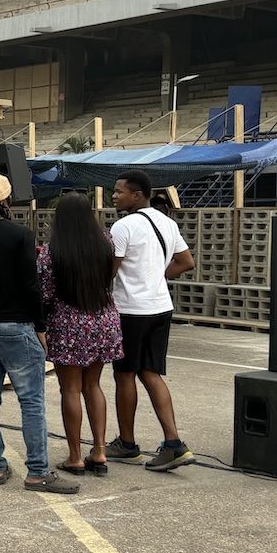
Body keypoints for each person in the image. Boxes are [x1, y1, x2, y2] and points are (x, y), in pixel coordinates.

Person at [0, 173, 77, 493]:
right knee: (32, 401)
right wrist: (40, 327)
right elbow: (30, 286)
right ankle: (37, 471)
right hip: (18, 326)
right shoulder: (21, 235)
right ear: (9, 200)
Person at [108, 169, 196, 471]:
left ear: (137, 195)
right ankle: (173, 443)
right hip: (160, 307)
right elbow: (186, 262)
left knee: (125, 375)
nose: (114, 195)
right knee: (151, 373)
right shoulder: (168, 223)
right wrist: (158, 277)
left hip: (130, 310)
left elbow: (110, 270)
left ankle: (128, 444)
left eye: (120, 191)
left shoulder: (123, 226)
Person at [39, 193, 124, 477]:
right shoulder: (106, 242)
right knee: (94, 386)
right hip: (102, 318)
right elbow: (108, 277)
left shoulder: (52, 251)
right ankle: (99, 451)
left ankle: (75, 456)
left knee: (70, 389)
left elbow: (46, 293)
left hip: (68, 322)